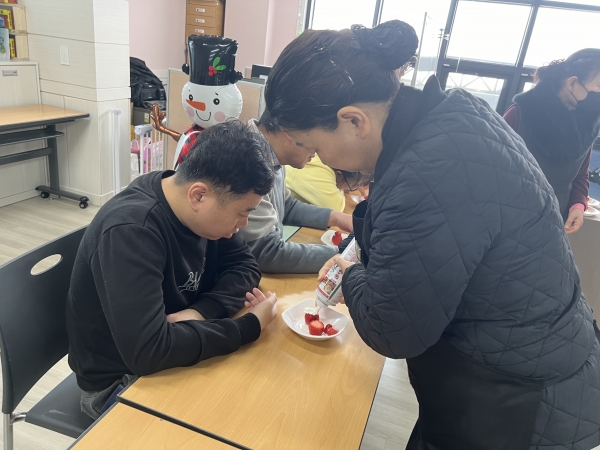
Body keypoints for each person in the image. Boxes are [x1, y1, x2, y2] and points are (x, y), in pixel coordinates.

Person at [262, 20, 600, 449]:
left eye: (314, 146)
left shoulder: (426, 173)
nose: (318, 159)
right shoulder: (452, 116)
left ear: (353, 121)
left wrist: (349, 275)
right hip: (536, 363)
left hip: (516, 405)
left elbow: (393, 329)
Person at [67, 121, 278, 420]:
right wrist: (250, 326)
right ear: (198, 195)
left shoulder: (199, 211)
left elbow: (245, 265)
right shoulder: (131, 230)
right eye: (242, 212)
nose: (243, 224)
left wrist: (201, 312)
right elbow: (149, 351)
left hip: (163, 354)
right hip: (120, 383)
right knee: (238, 415)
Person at [236, 117, 353, 273]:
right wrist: (344, 256)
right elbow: (266, 252)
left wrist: (337, 217)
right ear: (290, 132)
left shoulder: (273, 155)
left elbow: (287, 206)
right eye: (315, 142)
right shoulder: (249, 161)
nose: (317, 153)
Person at [504, 49, 600, 234]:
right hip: (508, 215)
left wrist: (578, 205)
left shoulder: (588, 126)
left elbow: (580, 175)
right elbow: (488, 166)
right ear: (572, 83)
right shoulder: (521, 113)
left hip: (554, 220)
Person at [285, 154, 371, 211]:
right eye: (356, 185)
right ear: (339, 174)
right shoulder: (319, 174)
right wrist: (343, 188)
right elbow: (336, 209)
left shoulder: (324, 162)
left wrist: (350, 184)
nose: (355, 188)